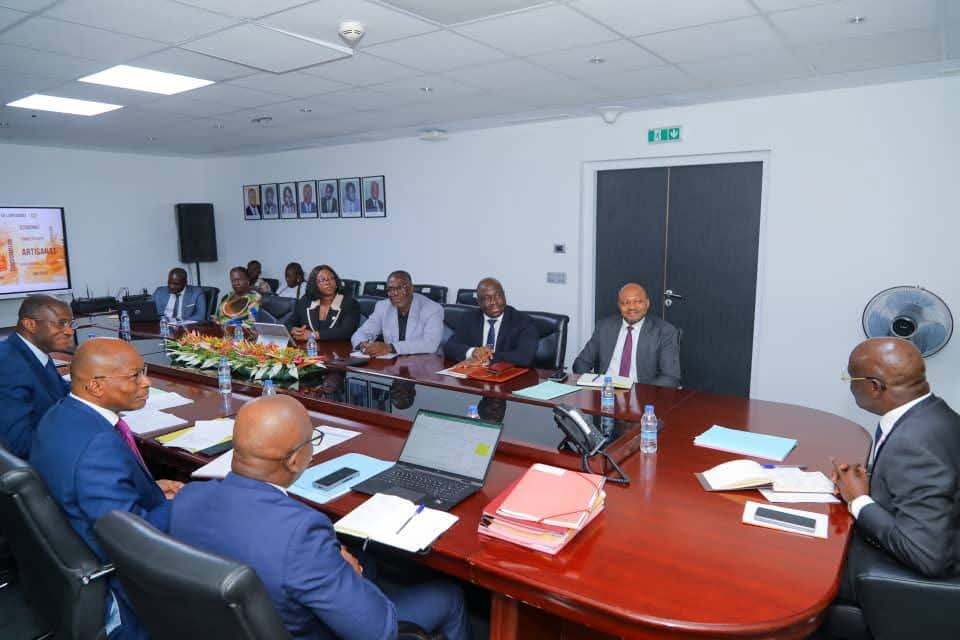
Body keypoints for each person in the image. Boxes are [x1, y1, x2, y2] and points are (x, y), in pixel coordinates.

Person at [170, 395, 470, 640]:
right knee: (449, 595)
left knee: (367, 561)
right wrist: (352, 575)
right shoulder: (302, 534)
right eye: (312, 440)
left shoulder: (188, 498)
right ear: (294, 460)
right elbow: (379, 631)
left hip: (225, 626)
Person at [30, 338, 183, 640]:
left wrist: (149, 489)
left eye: (144, 371)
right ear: (96, 387)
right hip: (125, 588)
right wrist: (188, 503)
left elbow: (92, 488)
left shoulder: (61, 413)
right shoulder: (98, 448)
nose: (147, 382)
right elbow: (131, 540)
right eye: (134, 376)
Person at [829, 338, 960, 610]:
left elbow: (926, 555)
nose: (850, 385)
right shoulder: (937, 414)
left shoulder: (912, 442)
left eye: (851, 378)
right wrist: (871, 482)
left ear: (874, 387)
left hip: (902, 578)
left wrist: (859, 501)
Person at [0, 295, 73, 458]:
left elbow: (60, 391)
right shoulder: (7, 364)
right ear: (30, 324)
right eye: (61, 323)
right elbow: (20, 444)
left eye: (70, 324)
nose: (69, 331)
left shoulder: (36, 351)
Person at [572, 283, 681, 387]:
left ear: (647, 303)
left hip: (641, 393)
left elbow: (670, 377)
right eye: (625, 303)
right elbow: (581, 363)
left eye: (638, 301)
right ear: (619, 306)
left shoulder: (664, 331)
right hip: (606, 390)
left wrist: (640, 392)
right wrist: (593, 383)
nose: (631, 307)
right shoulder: (604, 327)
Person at [443, 278, 538, 367]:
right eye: (487, 298)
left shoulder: (523, 321)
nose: (494, 302)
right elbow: (449, 347)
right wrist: (473, 352)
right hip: (473, 374)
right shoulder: (469, 318)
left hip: (506, 374)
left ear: (504, 296)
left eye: (498, 296)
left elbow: (525, 357)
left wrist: (487, 356)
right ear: (479, 302)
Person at [351, 271, 443, 356]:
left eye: (400, 288)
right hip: (391, 363)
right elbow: (362, 332)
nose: (394, 293)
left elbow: (430, 344)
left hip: (423, 362)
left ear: (411, 289)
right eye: (390, 289)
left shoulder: (432, 309)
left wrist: (390, 347)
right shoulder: (383, 306)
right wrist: (363, 344)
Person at [286, 264, 361, 342]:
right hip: (308, 348)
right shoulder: (306, 301)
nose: (328, 283)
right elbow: (289, 323)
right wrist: (293, 329)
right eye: (322, 280)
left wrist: (313, 335)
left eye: (331, 278)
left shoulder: (350, 303)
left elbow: (347, 331)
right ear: (314, 284)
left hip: (338, 348)